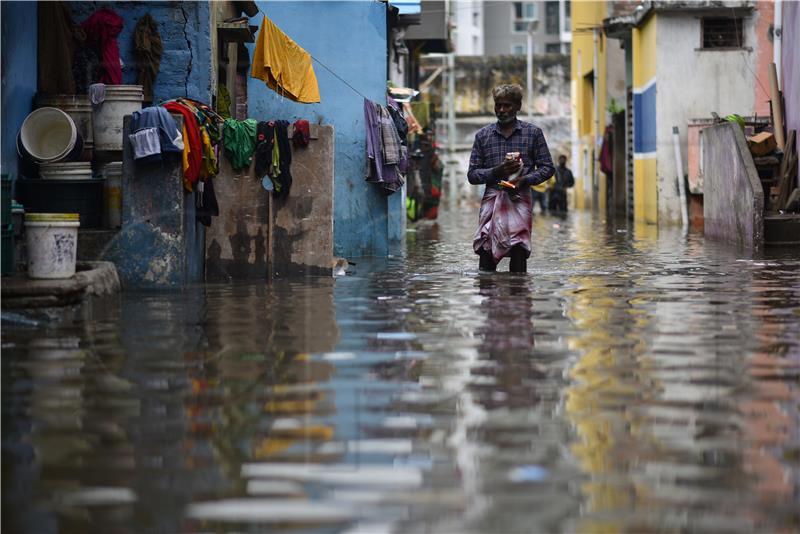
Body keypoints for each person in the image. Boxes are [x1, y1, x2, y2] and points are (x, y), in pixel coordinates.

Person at [467, 84, 555, 273]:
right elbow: (472, 175)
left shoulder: (533, 133)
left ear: (518, 106)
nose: (501, 110)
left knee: (518, 260)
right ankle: (488, 300)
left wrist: (524, 180)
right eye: (498, 105)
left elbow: (548, 167)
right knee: (486, 261)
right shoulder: (483, 136)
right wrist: (496, 171)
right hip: (491, 202)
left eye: (507, 105)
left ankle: (518, 299)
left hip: (520, 201)